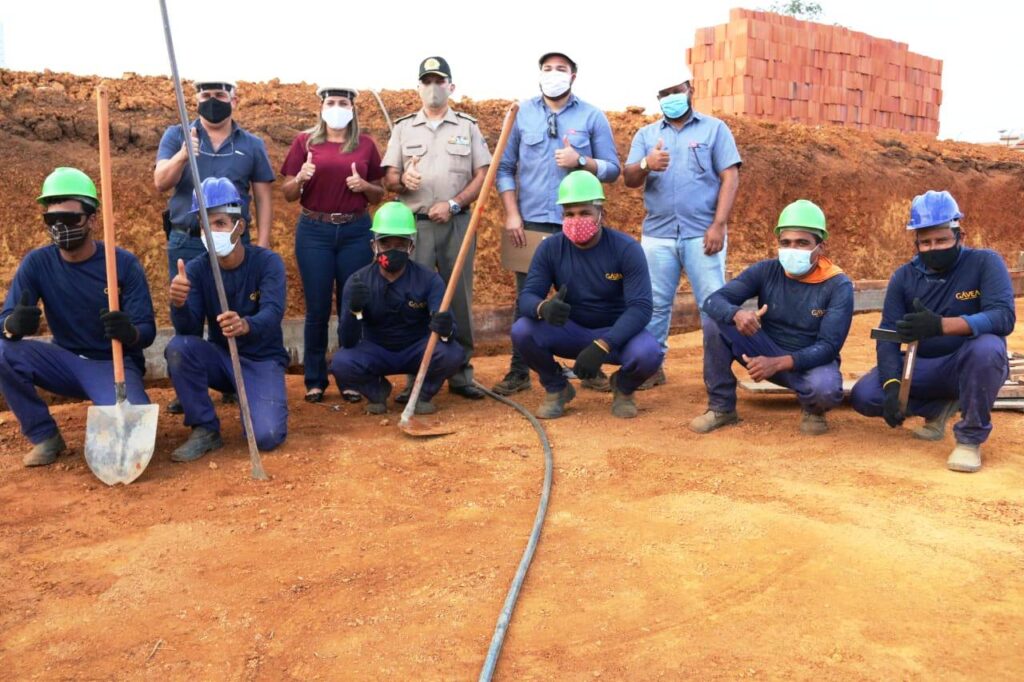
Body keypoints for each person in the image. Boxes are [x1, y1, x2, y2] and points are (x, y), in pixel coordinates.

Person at [0, 168, 156, 467]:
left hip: (112, 365)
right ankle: (45, 436)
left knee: (133, 432)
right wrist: (12, 325)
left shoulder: (121, 264)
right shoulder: (37, 263)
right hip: (64, 360)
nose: (60, 227)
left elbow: (146, 330)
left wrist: (129, 333)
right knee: (3, 351)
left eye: (71, 219)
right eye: (51, 219)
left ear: (92, 219)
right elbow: (5, 320)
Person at [851, 191, 1015, 473]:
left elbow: (1003, 317)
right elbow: (889, 334)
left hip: (965, 363)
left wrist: (941, 325)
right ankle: (938, 407)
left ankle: (969, 439)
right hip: (923, 367)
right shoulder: (904, 277)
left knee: (987, 348)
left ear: (958, 234)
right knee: (865, 395)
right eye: (925, 242)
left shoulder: (985, 263)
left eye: (941, 240)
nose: (933, 248)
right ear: (916, 242)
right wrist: (892, 385)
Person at [493, 50, 622, 396]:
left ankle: (587, 368)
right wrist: (511, 212)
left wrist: (581, 160)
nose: (554, 74)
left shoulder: (592, 116)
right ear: (539, 74)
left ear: (573, 76)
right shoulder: (521, 114)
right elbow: (503, 169)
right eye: (547, 68)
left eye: (561, 69)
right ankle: (519, 371)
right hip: (531, 222)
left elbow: (612, 169)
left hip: (578, 223)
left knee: (583, 297)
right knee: (528, 298)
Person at [154, 78, 275, 412]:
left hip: (235, 240)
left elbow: (263, 196)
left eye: (219, 95)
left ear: (233, 100)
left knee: (233, 308)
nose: (212, 100)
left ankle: (231, 380)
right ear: (195, 100)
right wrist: (182, 156)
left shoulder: (251, 144)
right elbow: (160, 182)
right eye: (205, 95)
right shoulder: (177, 135)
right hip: (188, 239)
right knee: (188, 312)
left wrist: (261, 245)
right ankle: (189, 384)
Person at [623, 64, 741, 390]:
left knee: (712, 306)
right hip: (658, 235)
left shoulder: (715, 130)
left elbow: (730, 177)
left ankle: (716, 375)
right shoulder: (646, 135)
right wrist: (648, 163)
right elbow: (629, 178)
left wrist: (719, 225)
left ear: (690, 89)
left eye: (676, 90)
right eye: (664, 94)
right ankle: (651, 366)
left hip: (702, 233)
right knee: (655, 304)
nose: (671, 97)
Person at [691, 200, 853, 435]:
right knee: (715, 321)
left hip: (808, 362)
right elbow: (713, 301)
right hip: (764, 349)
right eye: (785, 243)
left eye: (802, 243)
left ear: (821, 247)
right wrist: (736, 313)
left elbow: (829, 346)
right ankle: (721, 407)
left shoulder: (837, 285)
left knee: (824, 389)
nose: (792, 249)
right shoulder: (766, 270)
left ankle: (813, 409)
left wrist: (776, 363)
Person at [382, 56, 490, 401]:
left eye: (439, 81)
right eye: (426, 82)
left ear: (451, 87)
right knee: (414, 300)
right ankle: (417, 375)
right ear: (418, 88)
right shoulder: (403, 128)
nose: (432, 88)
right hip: (416, 227)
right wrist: (402, 180)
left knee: (458, 297)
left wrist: (455, 203)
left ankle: (461, 374)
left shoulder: (467, 127)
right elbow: (389, 178)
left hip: (456, 223)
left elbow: (482, 175)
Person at [511, 171, 661, 419]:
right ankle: (556, 388)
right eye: (569, 214)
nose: (576, 219)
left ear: (601, 214)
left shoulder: (626, 249)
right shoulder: (550, 248)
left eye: (584, 213)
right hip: (572, 330)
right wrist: (543, 308)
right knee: (522, 330)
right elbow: (527, 296)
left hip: (614, 334)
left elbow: (641, 307)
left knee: (649, 354)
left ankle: (623, 389)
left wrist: (603, 345)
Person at [165, 178, 288, 462]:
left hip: (261, 360)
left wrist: (246, 325)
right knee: (179, 348)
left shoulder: (268, 263)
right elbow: (189, 331)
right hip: (221, 359)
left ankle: (260, 399)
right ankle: (204, 428)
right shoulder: (196, 270)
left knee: (267, 436)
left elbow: (272, 313)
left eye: (219, 223)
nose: (212, 232)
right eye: (205, 225)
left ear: (239, 227)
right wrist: (179, 304)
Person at [280, 85, 385, 404]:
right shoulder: (305, 142)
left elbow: (379, 193)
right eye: (331, 102)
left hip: (355, 229)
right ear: (321, 108)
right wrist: (300, 178)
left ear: (353, 108)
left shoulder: (366, 144)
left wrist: (363, 185)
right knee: (317, 308)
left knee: (352, 306)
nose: (337, 107)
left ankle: (349, 374)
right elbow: (286, 192)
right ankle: (315, 378)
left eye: (343, 102)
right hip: (314, 231)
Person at [329, 202, 464, 414]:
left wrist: (446, 329)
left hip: (416, 349)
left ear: (411, 246)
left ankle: (422, 393)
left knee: (453, 353)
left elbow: (450, 331)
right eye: (386, 244)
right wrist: (353, 311)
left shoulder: (429, 279)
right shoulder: (358, 282)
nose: (392, 250)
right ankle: (377, 392)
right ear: (374, 245)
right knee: (341, 362)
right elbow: (347, 341)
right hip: (376, 350)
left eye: (400, 244)